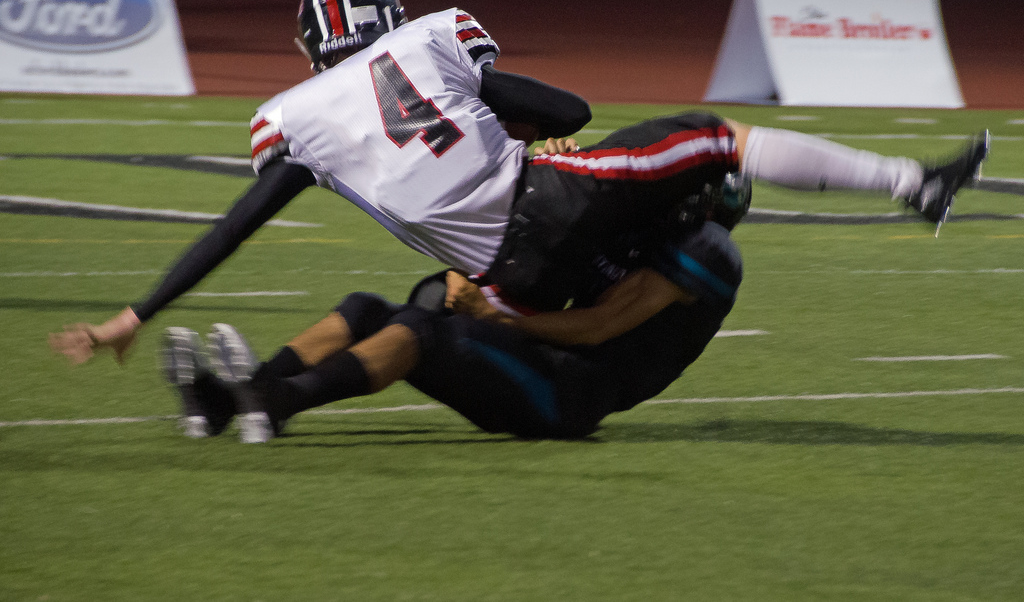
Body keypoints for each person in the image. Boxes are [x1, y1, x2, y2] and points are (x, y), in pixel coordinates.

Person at [48, 0, 990, 364]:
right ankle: (912, 183)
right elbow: (569, 112)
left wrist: (135, 314)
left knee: (418, 313)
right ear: (387, 18)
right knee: (713, 139)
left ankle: (263, 393)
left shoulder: (293, 120)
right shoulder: (429, 38)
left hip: (503, 276)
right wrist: (515, 125)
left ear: (314, 47)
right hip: (547, 206)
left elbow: (235, 226)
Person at [162, 217, 743, 442]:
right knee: (368, 310)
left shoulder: (707, 250)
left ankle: (277, 400)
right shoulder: (643, 227)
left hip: (569, 395)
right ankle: (228, 402)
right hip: (544, 360)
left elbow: (599, 326)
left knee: (427, 331)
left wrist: (493, 316)